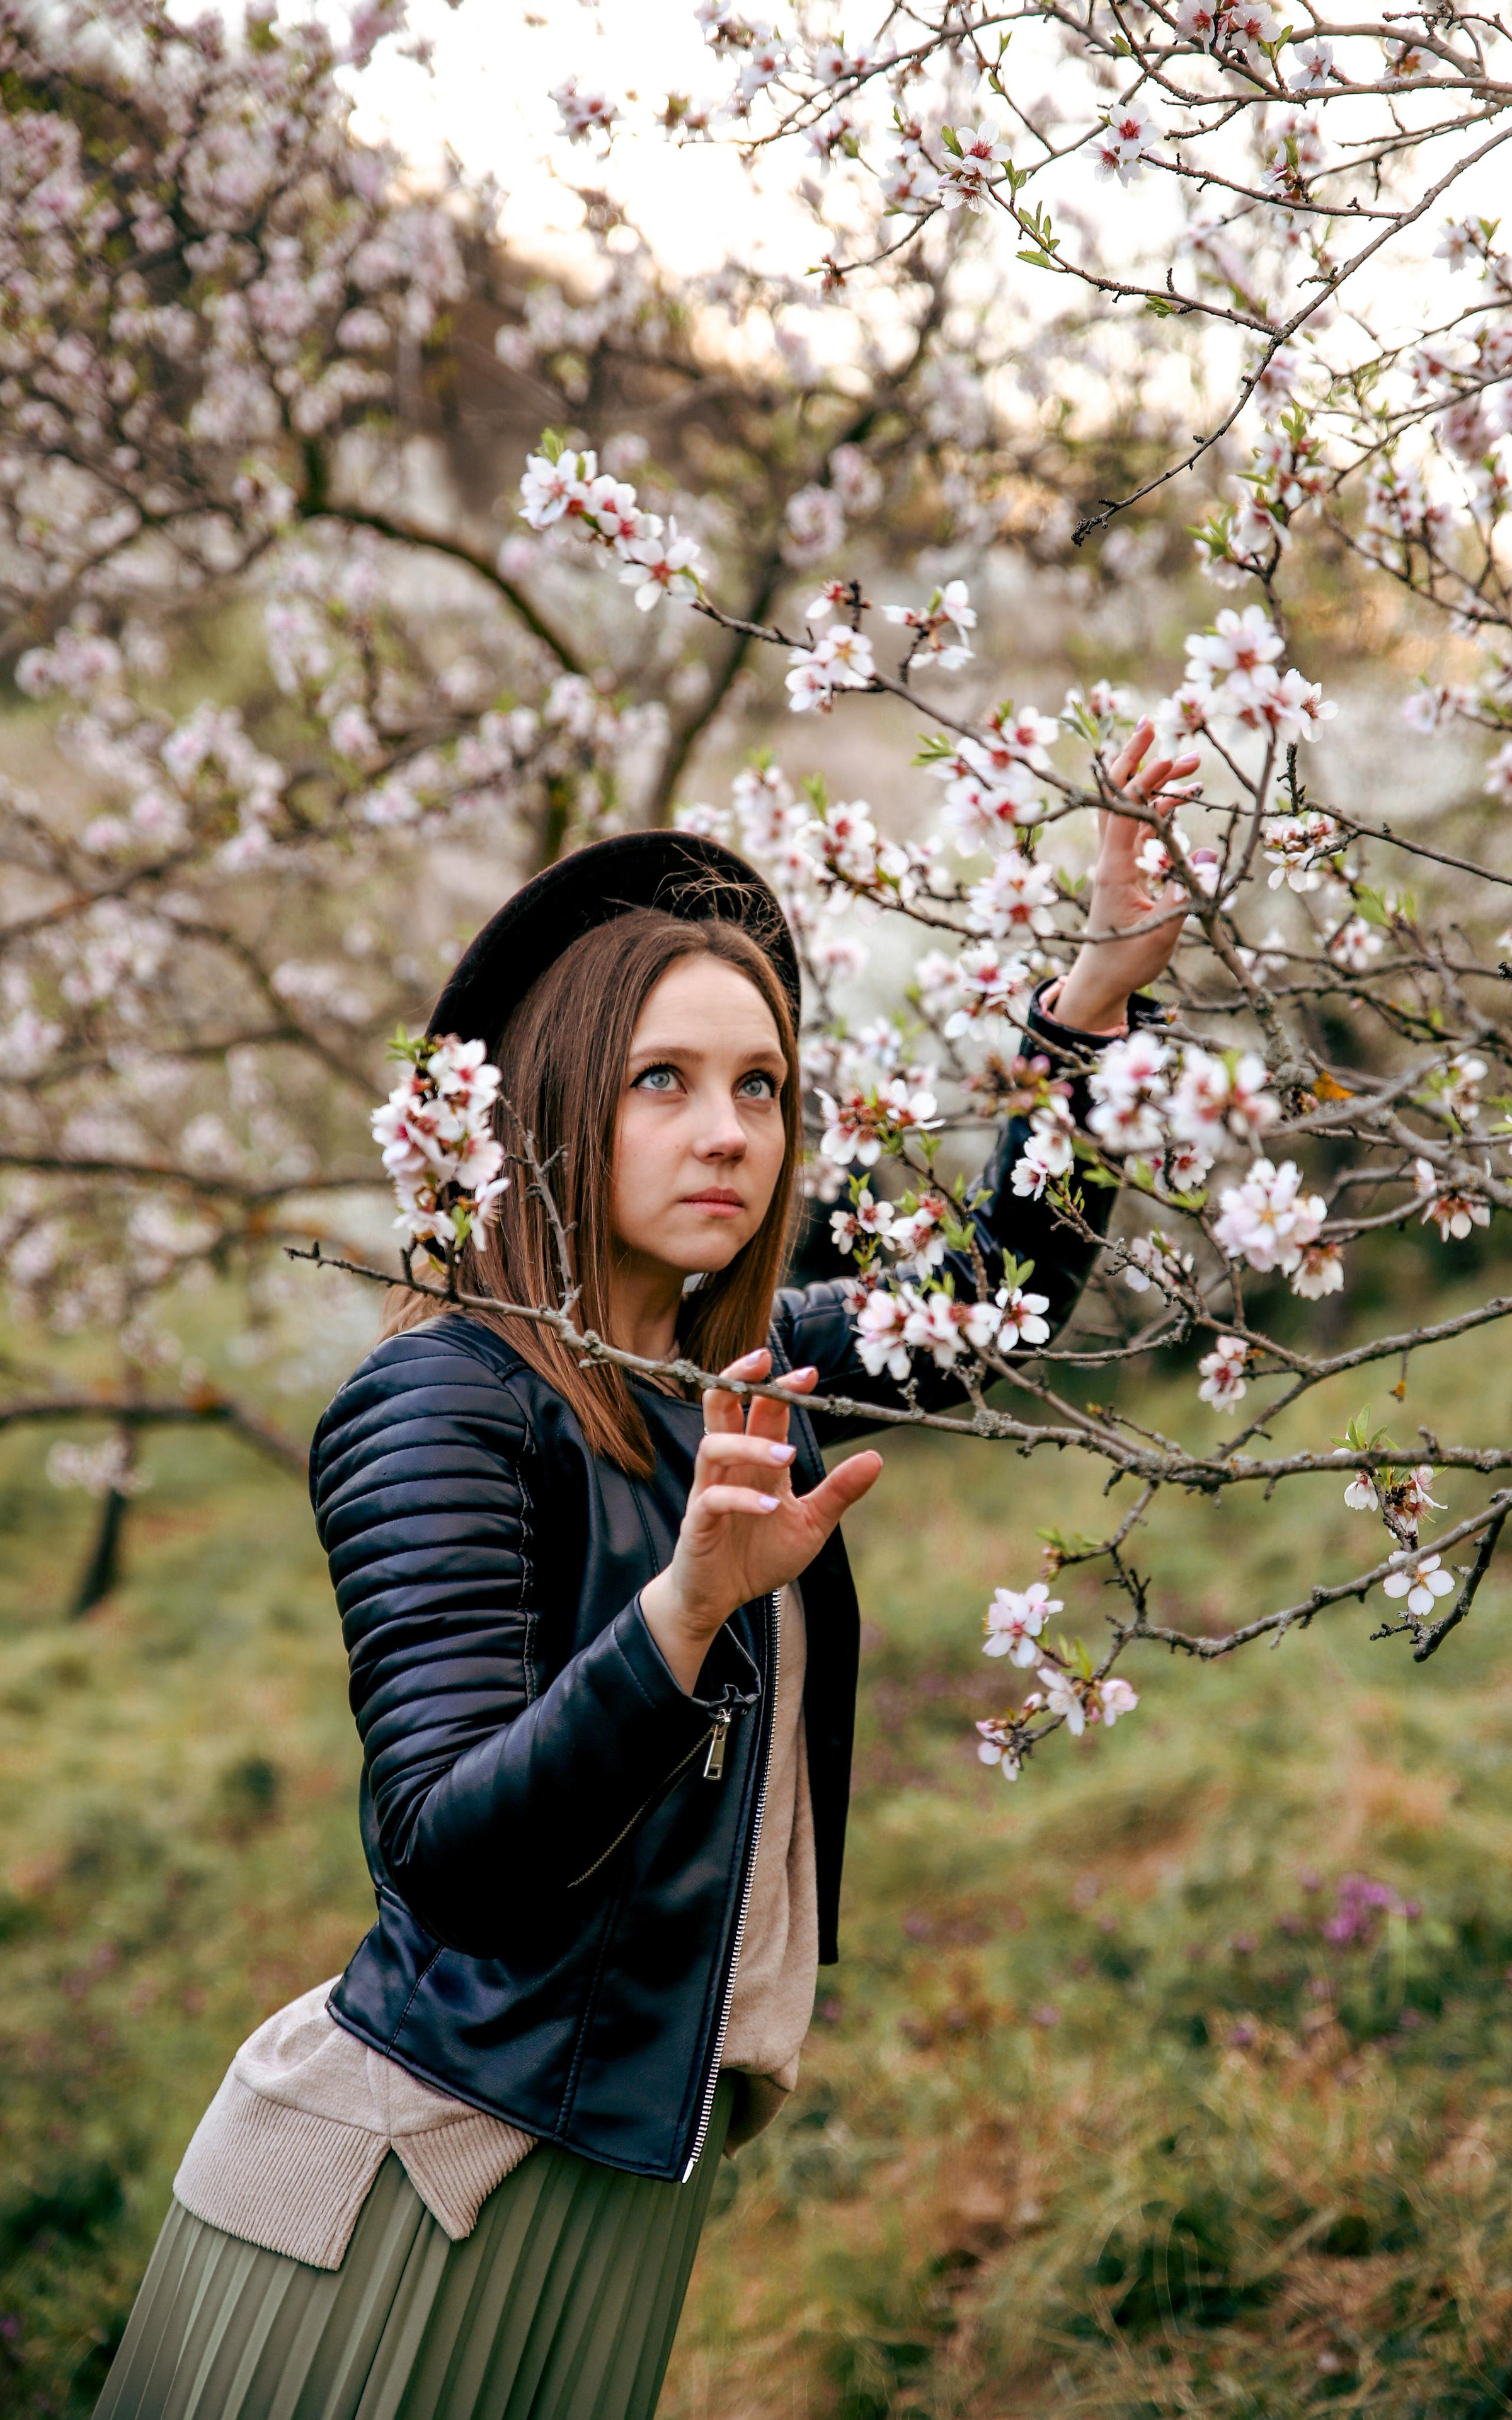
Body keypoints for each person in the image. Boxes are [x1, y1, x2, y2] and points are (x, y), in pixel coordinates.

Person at [96, 725, 1196, 2420]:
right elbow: (447, 1856)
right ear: (551, 1106)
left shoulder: (729, 1379)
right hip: (412, 2186)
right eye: (661, 1082)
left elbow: (991, 1304)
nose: (730, 1132)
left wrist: (1100, 1000)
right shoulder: (441, 1399)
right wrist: (683, 1612)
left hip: (620, 2176)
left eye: (760, 1086)